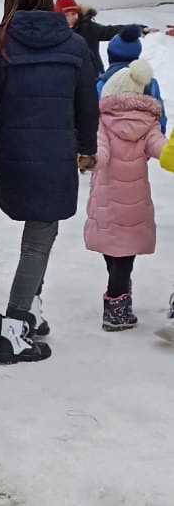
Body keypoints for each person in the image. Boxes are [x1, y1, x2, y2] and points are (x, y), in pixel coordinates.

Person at [0, 0, 99, 365]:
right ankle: (13, 331)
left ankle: (31, 310)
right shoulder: (73, 46)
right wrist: (87, 147)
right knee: (40, 238)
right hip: (56, 154)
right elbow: (86, 105)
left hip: (11, 156)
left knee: (42, 234)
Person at [84, 58, 167, 330]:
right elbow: (160, 149)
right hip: (134, 204)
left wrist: (88, 160)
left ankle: (116, 308)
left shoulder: (102, 122)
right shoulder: (149, 123)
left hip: (107, 202)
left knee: (114, 253)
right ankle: (121, 300)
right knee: (124, 255)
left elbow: (101, 155)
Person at [54, 0, 159, 75]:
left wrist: (139, 29)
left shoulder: (88, 28)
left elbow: (111, 30)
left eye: (73, 14)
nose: (71, 18)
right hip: (68, 77)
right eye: (66, 15)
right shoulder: (54, 32)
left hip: (93, 75)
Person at [96, 25, 167, 131]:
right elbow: (160, 119)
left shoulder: (101, 85)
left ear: (110, 55)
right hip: (146, 141)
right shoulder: (150, 83)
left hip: (109, 143)